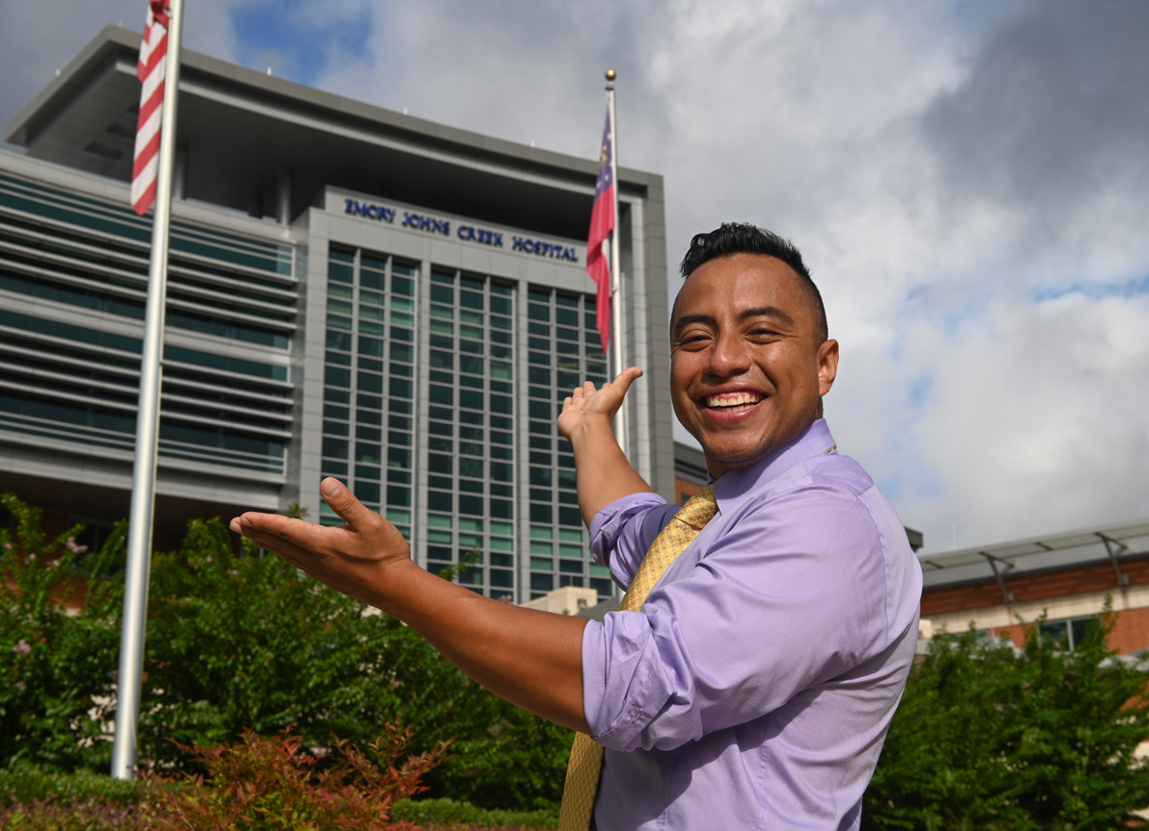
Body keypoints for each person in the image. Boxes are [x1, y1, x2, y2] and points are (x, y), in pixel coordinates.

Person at [231, 222, 921, 830]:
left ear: (824, 364)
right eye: (696, 337)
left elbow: (640, 682)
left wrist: (398, 587)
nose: (722, 360)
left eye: (762, 332)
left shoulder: (828, 523)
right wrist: (590, 430)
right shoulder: (716, 521)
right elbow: (627, 526)